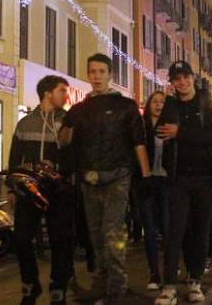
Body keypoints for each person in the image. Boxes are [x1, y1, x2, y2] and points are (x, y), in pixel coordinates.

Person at [59, 53, 151, 305]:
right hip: (88, 179)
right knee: (96, 235)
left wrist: (145, 174)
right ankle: (102, 283)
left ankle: (116, 290)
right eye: (92, 72)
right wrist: (66, 122)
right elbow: (64, 141)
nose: (97, 76)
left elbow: (138, 142)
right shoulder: (78, 109)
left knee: (112, 234)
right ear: (88, 75)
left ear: (110, 74)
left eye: (101, 71)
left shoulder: (126, 105)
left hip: (117, 177)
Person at [155, 61, 212, 305]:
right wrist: (172, 127)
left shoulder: (208, 101)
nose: (181, 82)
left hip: (206, 179)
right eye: (176, 79)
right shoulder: (171, 104)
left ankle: (195, 281)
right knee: (174, 232)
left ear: (193, 77)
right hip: (178, 178)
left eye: (185, 77)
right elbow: (160, 131)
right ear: (172, 82)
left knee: (201, 232)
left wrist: (180, 133)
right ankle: (169, 286)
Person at [8, 75, 74, 305]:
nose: (66, 96)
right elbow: (14, 158)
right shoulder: (25, 123)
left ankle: (58, 289)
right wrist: (12, 188)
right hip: (29, 190)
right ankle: (30, 285)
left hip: (60, 191)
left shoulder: (68, 121)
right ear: (48, 93)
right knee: (21, 239)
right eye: (62, 91)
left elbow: (74, 155)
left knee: (61, 240)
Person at [141, 91, 170, 290]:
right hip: (146, 182)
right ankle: (154, 272)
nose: (159, 104)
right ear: (149, 104)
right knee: (149, 230)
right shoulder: (141, 128)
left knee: (168, 228)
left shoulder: (171, 127)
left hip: (167, 182)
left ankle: (170, 267)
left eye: (162, 102)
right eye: (155, 101)